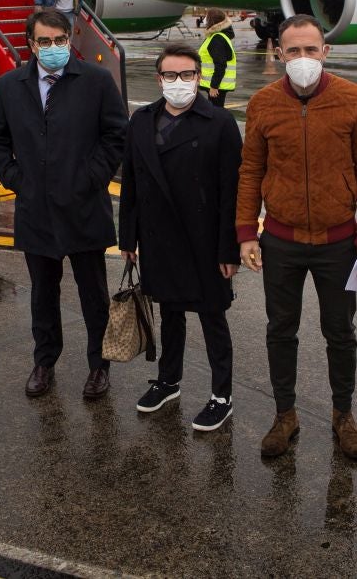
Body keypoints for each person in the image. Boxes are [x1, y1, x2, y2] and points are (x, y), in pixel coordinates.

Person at [237, 14, 357, 460]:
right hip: (280, 241)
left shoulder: (353, 99)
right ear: (278, 53)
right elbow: (251, 171)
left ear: (326, 51)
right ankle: (285, 415)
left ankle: (344, 416)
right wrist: (247, 233)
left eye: (311, 49)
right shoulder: (262, 103)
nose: (303, 58)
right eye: (293, 51)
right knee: (281, 330)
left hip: (339, 242)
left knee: (340, 331)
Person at [0, 8, 127, 400]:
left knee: (93, 294)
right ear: (31, 45)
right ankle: (45, 361)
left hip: (83, 207)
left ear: (70, 39)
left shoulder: (95, 81)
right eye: (44, 41)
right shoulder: (11, 86)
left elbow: (115, 136)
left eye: (59, 40)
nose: (53, 48)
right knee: (43, 293)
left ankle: (99, 365)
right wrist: (17, 181)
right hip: (37, 211)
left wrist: (91, 177)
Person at [119, 43, 242, 431]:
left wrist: (230, 248)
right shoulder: (140, 121)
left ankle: (221, 394)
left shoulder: (219, 123)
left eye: (186, 74)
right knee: (169, 312)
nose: (179, 82)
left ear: (199, 77)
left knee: (212, 319)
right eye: (170, 75)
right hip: (159, 237)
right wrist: (128, 237)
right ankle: (168, 380)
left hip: (204, 240)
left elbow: (231, 191)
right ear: (159, 79)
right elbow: (132, 183)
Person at [198, 8, 237, 107]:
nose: (205, 20)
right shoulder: (215, 36)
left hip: (216, 86)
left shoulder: (217, 39)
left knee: (216, 113)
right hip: (215, 84)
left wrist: (214, 86)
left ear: (212, 20)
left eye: (207, 17)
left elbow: (220, 65)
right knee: (215, 111)